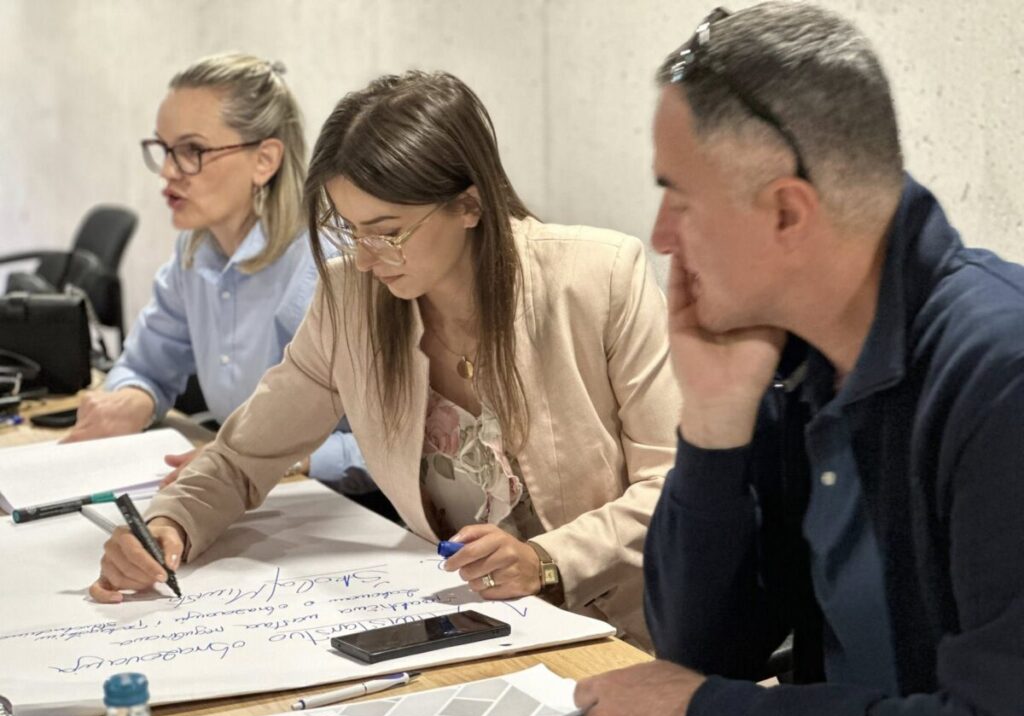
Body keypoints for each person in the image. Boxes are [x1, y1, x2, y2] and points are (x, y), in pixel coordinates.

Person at [87, 70, 680, 649]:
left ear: (469, 204)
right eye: (349, 230)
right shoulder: (351, 299)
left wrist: (548, 560)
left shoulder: (599, 278)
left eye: (387, 231)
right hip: (473, 630)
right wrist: (167, 526)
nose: (366, 259)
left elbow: (673, 485)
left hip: (622, 633)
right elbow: (244, 455)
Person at [576, 3, 1024, 716]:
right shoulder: (795, 356)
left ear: (788, 211)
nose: (660, 237)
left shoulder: (1000, 377)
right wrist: (713, 421)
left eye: (679, 198)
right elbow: (698, 653)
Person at [63, 53, 373, 497]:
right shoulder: (194, 253)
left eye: (193, 151)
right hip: (248, 492)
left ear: (264, 160)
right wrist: (136, 398)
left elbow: (406, 445)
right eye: (164, 150)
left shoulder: (331, 264)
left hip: (345, 506)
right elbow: (144, 366)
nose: (168, 172)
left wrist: (280, 459)